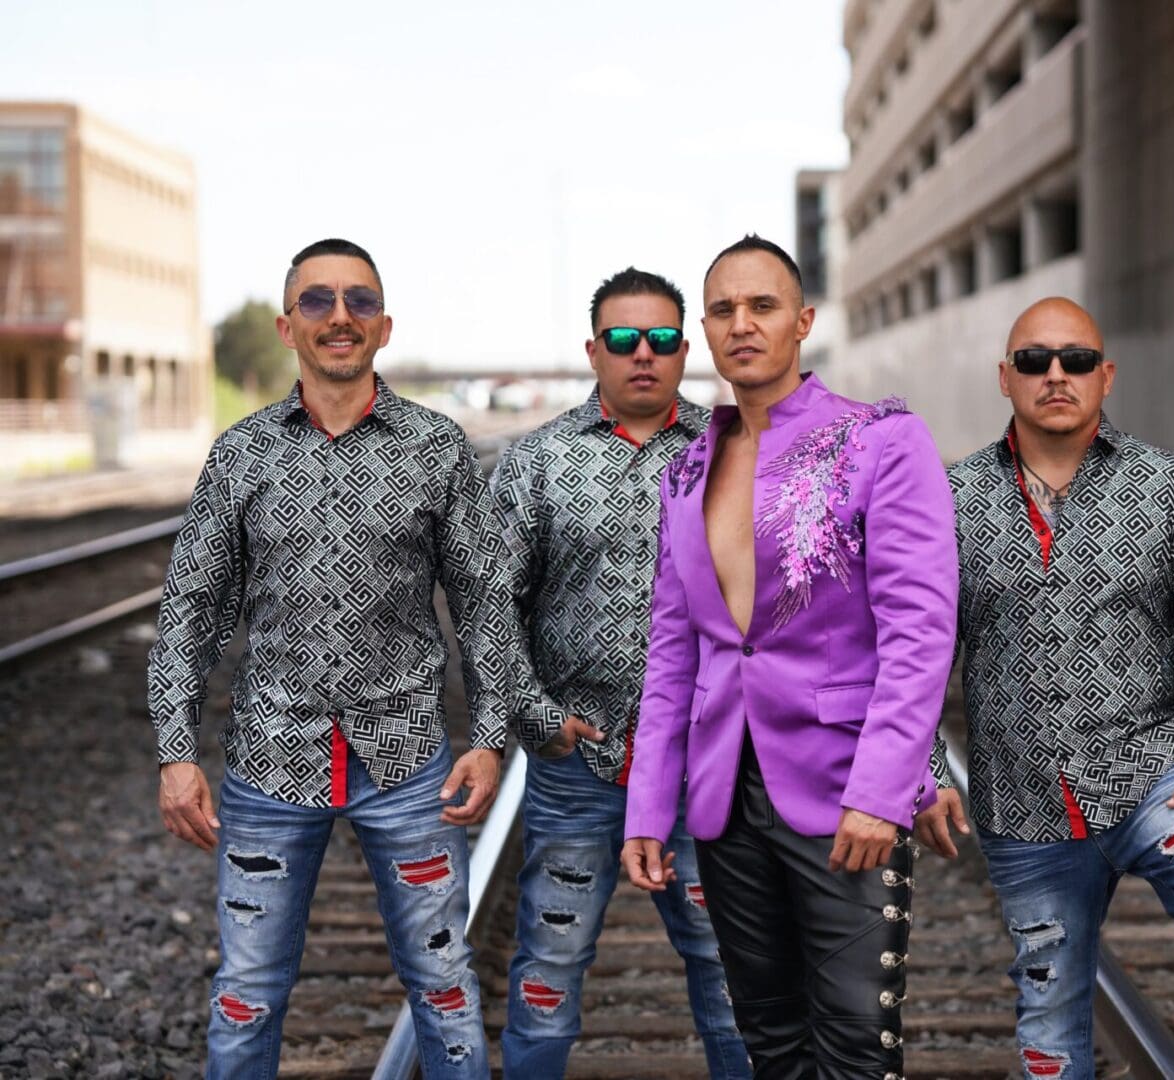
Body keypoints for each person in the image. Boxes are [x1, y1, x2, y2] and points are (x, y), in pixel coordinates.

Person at [148, 238, 511, 1077]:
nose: (338, 316)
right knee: (246, 993)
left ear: (383, 326)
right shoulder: (242, 453)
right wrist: (175, 753)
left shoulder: (435, 448)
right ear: (287, 326)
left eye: (357, 301)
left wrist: (490, 738)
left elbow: (485, 604)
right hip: (271, 766)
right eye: (317, 301)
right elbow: (190, 611)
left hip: (410, 763)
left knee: (445, 985)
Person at [620, 235, 958, 1079]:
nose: (743, 324)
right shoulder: (687, 472)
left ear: (803, 321)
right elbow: (673, 655)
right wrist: (647, 808)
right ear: (704, 330)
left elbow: (918, 632)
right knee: (768, 1041)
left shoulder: (879, 441)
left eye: (762, 305)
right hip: (725, 796)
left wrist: (884, 792)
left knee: (854, 1044)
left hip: (843, 787)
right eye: (725, 309)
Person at [919, 296, 1174, 1078]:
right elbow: (919, 649)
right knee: (1049, 1020)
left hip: (1156, 780)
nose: (1055, 375)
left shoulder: (1164, 486)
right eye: (1034, 361)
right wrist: (928, 773)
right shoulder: (951, 500)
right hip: (1024, 803)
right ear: (1003, 379)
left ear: (1104, 375)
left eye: (1075, 360)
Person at [490, 266, 750, 1078]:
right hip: (580, 769)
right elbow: (492, 607)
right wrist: (535, 716)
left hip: (705, 769)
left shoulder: (733, 456)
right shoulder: (536, 463)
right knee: (549, 968)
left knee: (731, 973)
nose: (645, 354)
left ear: (687, 350)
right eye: (625, 339)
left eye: (665, 339)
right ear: (594, 351)